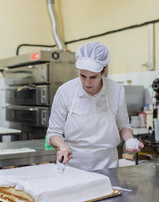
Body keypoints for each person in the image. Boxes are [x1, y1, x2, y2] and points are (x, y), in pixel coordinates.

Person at [47, 42, 144, 171]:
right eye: (82, 76)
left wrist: (130, 140)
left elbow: (124, 126)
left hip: (108, 165)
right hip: (73, 165)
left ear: (104, 70)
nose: (87, 82)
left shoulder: (116, 90)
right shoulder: (65, 91)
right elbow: (53, 133)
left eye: (93, 77)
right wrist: (62, 146)